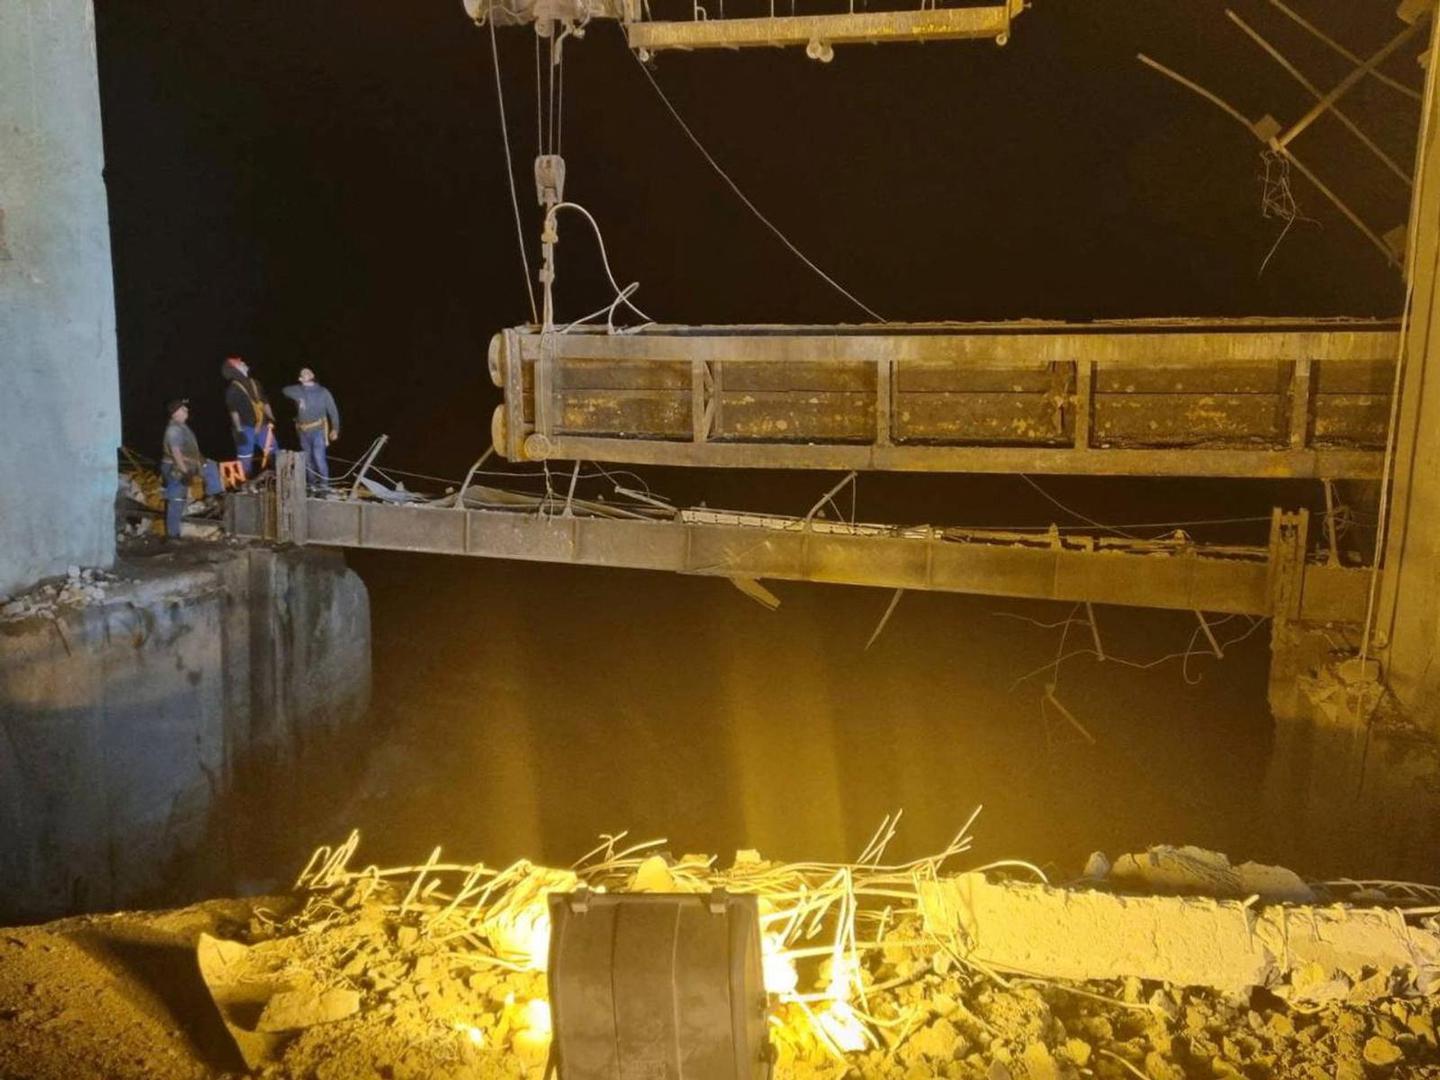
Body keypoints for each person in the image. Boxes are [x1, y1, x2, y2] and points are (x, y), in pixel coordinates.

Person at [160, 399, 222, 538]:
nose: (187, 410)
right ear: (175, 413)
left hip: (188, 463)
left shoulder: (182, 426)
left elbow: (190, 450)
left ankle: (213, 496)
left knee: (210, 466)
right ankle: (173, 536)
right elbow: (176, 453)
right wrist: (185, 472)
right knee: (176, 499)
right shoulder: (174, 429)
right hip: (175, 466)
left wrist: (202, 460)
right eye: (183, 409)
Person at [282, 368, 341, 488]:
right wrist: (299, 398)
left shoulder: (323, 392)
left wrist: (335, 428)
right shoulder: (297, 391)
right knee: (307, 460)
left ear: (313, 374)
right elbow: (285, 390)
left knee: (319, 458)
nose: (308, 373)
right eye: (304, 373)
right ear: (300, 379)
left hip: (318, 430)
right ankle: (312, 486)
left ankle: (325, 487)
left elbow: (333, 410)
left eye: (309, 371)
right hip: (302, 431)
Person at [222, 356, 276, 478]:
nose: (243, 362)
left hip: (263, 425)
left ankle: (278, 479)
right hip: (245, 427)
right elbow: (233, 411)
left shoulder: (255, 383)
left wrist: (272, 418)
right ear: (234, 368)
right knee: (245, 456)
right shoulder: (233, 389)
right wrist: (239, 430)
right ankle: (244, 484)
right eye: (240, 362)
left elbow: (265, 402)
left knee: (274, 451)